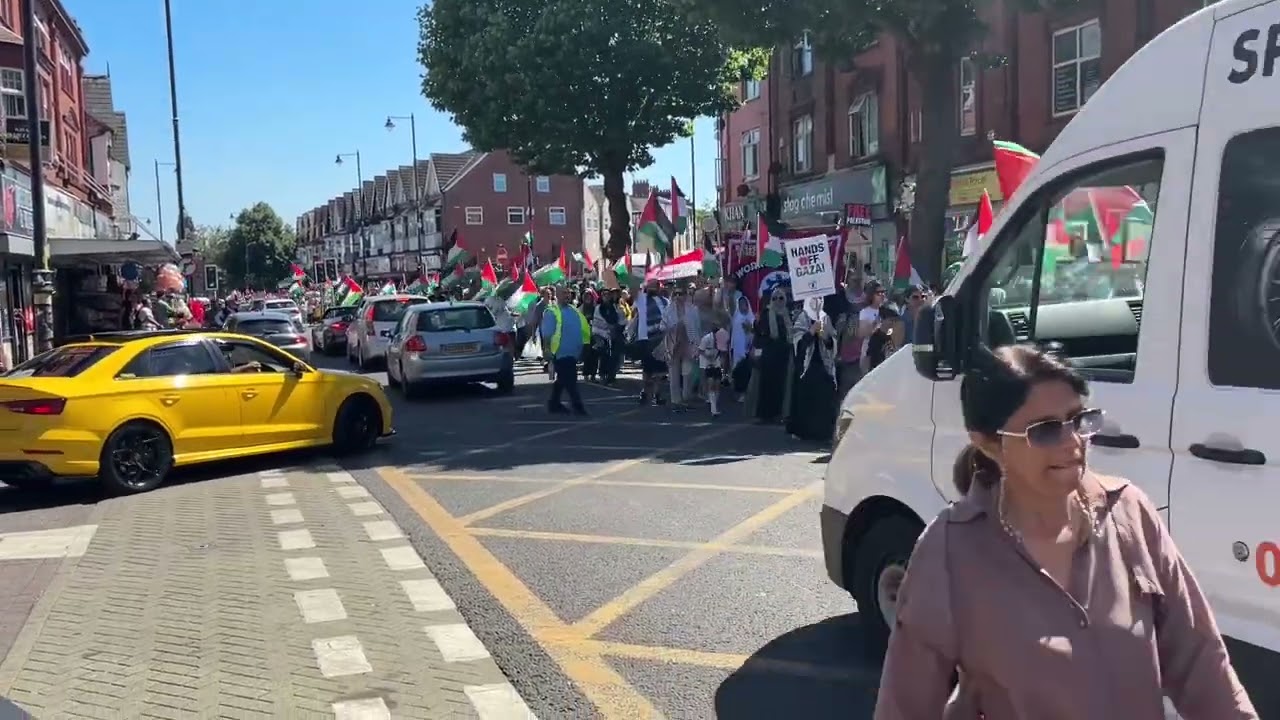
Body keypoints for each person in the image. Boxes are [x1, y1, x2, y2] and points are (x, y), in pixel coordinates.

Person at [874, 345, 1258, 720]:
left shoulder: (1129, 514)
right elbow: (906, 704)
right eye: (1045, 431)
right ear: (989, 444)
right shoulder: (949, 551)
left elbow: (1201, 664)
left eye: (1078, 420)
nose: (1072, 442)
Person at [785, 297, 839, 442]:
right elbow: (798, 343)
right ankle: (804, 431)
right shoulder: (802, 318)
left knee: (825, 398)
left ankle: (823, 432)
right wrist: (811, 331)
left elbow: (832, 341)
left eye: (819, 299)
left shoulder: (825, 318)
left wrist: (825, 337)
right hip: (806, 366)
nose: (816, 302)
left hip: (823, 365)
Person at [540, 285, 589, 416]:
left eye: (568, 293)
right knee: (571, 379)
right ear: (557, 296)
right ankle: (578, 407)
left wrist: (582, 347)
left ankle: (554, 404)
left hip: (573, 352)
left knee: (562, 379)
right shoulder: (552, 312)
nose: (567, 295)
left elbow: (581, 330)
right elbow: (547, 334)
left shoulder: (574, 311)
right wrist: (547, 349)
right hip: (560, 352)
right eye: (564, 293)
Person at [751, 289, 793, 423]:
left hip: (783, 353)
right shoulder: (766, 313)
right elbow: (758, 333)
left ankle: (778, 413)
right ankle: (764, 414)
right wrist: (756, 323)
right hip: (769, 352)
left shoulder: (788, 314)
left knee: (781, 384)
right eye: (775, 298)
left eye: (781, 298)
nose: (778, 301)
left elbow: (791, 334)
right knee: (766, 384)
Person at [660, 284, 701, 410]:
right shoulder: (668, 310)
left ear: (686, 295)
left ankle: (686, 397)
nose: (678, 296)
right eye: (676, 294)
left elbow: (697, 328)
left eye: (681, 294)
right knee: (673, 374)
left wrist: (698, 345)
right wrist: (671, 327)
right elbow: (662, 326)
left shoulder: (693, 310)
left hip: (688, 344)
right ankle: (675, 400)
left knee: (687, 373)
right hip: (673, 345)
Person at [696, 316, 727, 417]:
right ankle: (713, 409)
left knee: (717, 383)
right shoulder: (706, 339)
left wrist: (721, 361)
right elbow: (700, 350)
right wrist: (707, 357)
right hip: (707, 361)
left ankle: (714, 402)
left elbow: (723, 351)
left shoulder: (722, 337)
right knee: (710, 382)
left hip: (716, 360)